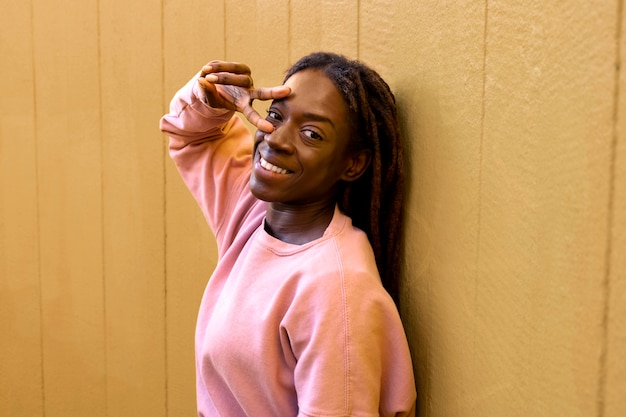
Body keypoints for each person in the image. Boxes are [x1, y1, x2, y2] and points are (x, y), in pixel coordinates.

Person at [160, 51, 416, 417]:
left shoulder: (335, 290)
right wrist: (210, 99)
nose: (277, 139)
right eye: (276, 116)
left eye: (311, 133)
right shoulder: (251, 214)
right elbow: (192, 138)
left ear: (353, 163)